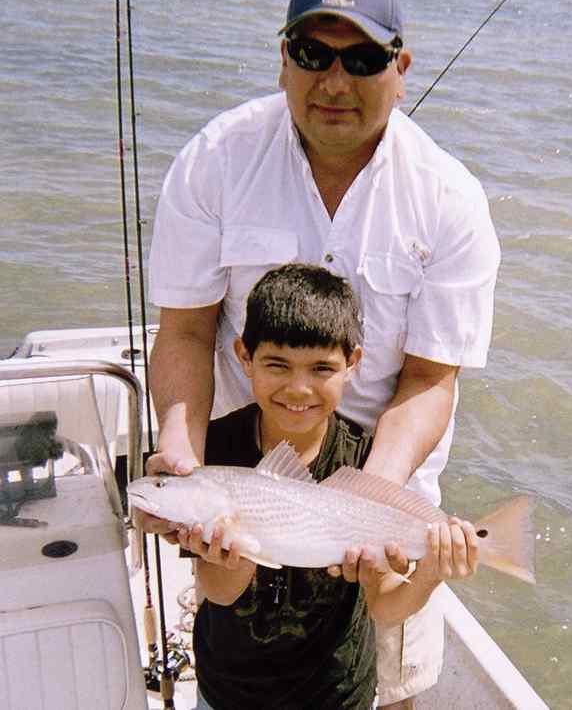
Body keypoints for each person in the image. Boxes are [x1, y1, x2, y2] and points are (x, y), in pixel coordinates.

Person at [144, 0, 501, 708]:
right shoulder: (215, 162)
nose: (334, 81)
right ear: (282, 58)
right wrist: (180, 455)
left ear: (400, 71)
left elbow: (431, 380)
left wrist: (373, 496)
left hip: (389, 496)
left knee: (377, 687)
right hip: (254, 484)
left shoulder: (450, 199)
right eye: (313, 55)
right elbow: (183, 331)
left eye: (363, 60)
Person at [175, 263, 479, 710]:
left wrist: (433, 570)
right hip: (228, 691)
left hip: (337, 694)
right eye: (277, 364)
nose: (298, 389)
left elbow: (386, 607)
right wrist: (231, 553)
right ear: (244, 356)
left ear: (353, 364)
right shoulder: (214, 449)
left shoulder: (365, 462)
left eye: (321, 368)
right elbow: (219, 592)